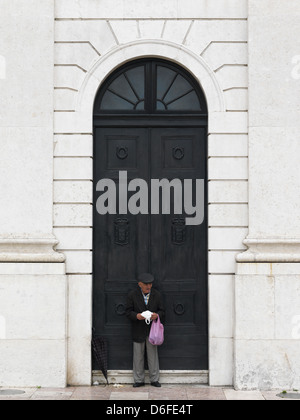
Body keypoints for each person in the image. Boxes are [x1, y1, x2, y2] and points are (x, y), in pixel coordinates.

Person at [126, 273, 165, 388]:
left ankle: (154, 379)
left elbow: (163, 311)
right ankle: (138, 380)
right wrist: (137, 316)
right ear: (140, 284)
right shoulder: (132, 295)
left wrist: (157, 315)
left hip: (153, 331)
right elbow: (128, 312)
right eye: (146, 284)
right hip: (138, 329)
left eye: (150, 284)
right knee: (138, 355)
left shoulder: (157, 295)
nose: (149, 286)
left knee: (153, 355)